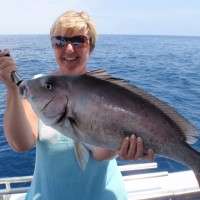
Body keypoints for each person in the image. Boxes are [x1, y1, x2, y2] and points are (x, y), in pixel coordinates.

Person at [0, 10, 154, 200]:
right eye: (60, 41)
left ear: (91, 46)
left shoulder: (106, 92)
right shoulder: (38, 87)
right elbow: (21, 144)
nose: (69, 49)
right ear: (52, 46)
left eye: (79, 40)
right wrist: (12, 89)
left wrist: (122, 147)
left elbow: (100, 154)